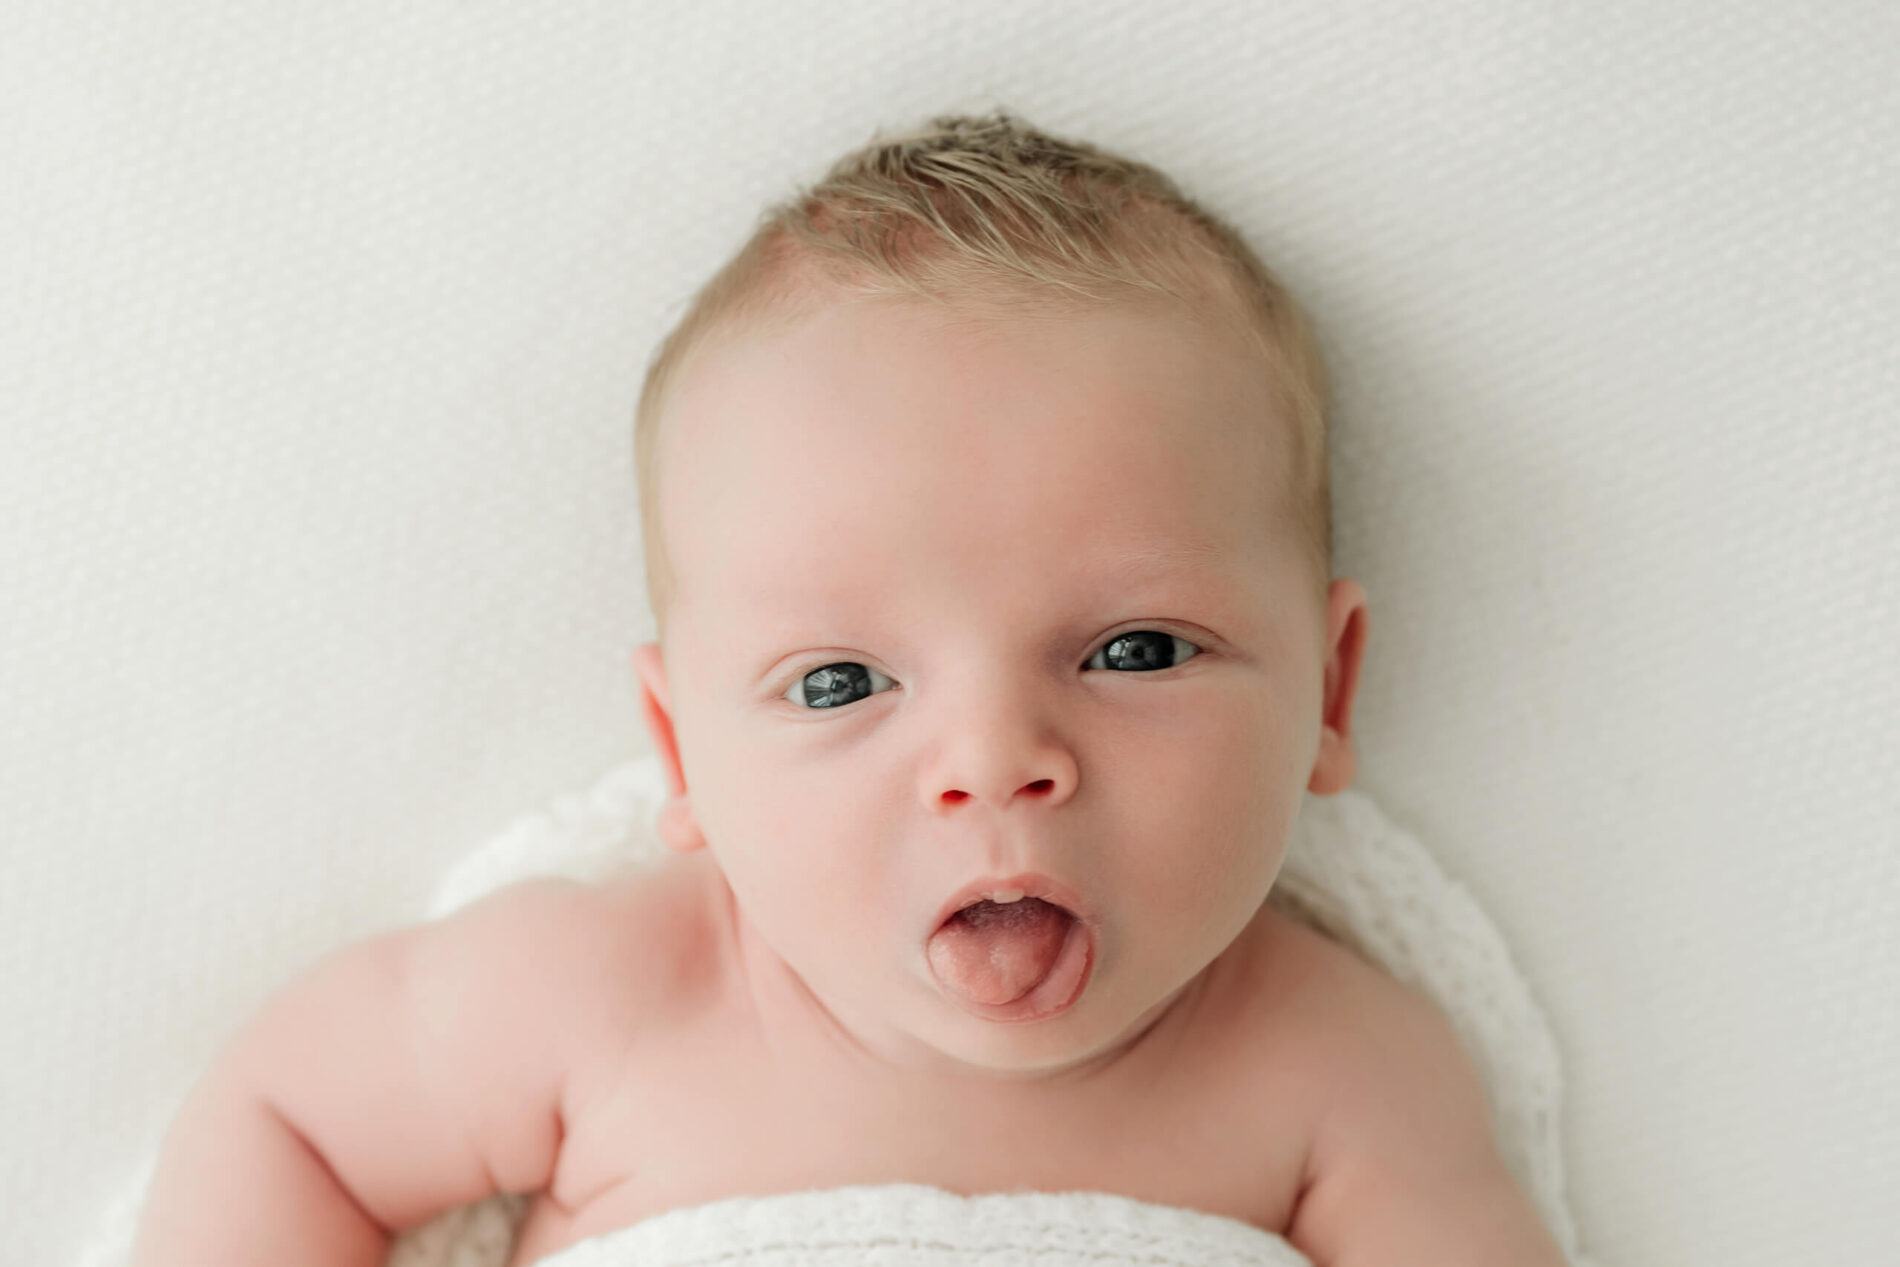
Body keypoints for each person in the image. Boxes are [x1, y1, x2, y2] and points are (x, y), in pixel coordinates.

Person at [131, 109, 1567, 1266]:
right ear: (680, 753)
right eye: (838, 682)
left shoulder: (1342, 1076)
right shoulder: (605, 1004)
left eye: (1132, 651)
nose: (996, 760)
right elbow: (286, 1123)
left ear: (1329, 687)